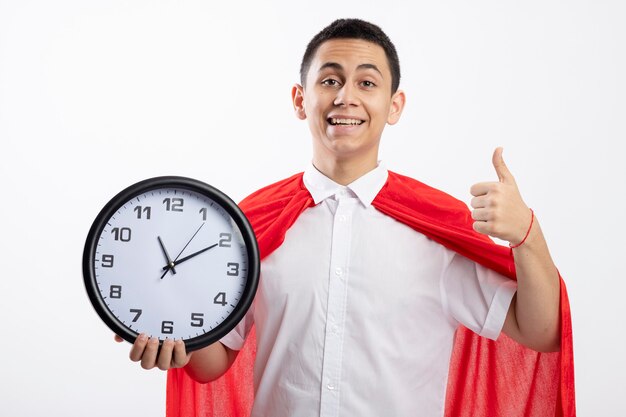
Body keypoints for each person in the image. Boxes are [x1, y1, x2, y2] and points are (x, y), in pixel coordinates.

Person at [118, 18, 574, 417]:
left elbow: (543, 332)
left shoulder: (435, 228)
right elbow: (217, 358)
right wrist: (173, 337)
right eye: (330, 81)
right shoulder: (247, 226)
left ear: (394, 105)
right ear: (301, 99)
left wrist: (526, 235)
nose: (346, 98)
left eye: (368, 83)